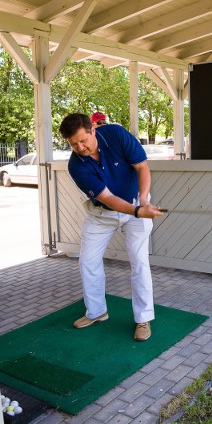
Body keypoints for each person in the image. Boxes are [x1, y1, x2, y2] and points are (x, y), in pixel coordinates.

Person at [59, 113, 163, 341]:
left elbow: (142, 168)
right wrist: (137, 211)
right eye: (74, 144)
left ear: (93, 130)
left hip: (137, 202)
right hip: (102, 213)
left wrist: (143, 201)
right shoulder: (76, 165)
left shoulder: (115, 134)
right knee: (87, 260)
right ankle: (97, 312)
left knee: (139, 261)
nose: (80, 147)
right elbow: (106, 198)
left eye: (83, 140)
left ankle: (143, 320)